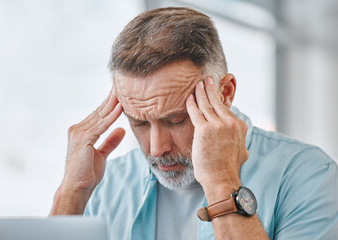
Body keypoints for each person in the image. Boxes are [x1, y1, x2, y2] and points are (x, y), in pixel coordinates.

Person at [50, 7, 338, 240]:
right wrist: (72, 194)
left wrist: (221, 182)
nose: (156, 147)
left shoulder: (309, 175)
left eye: (176, 119)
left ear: (224, 93)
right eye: (139, 122)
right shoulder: (107, 183)